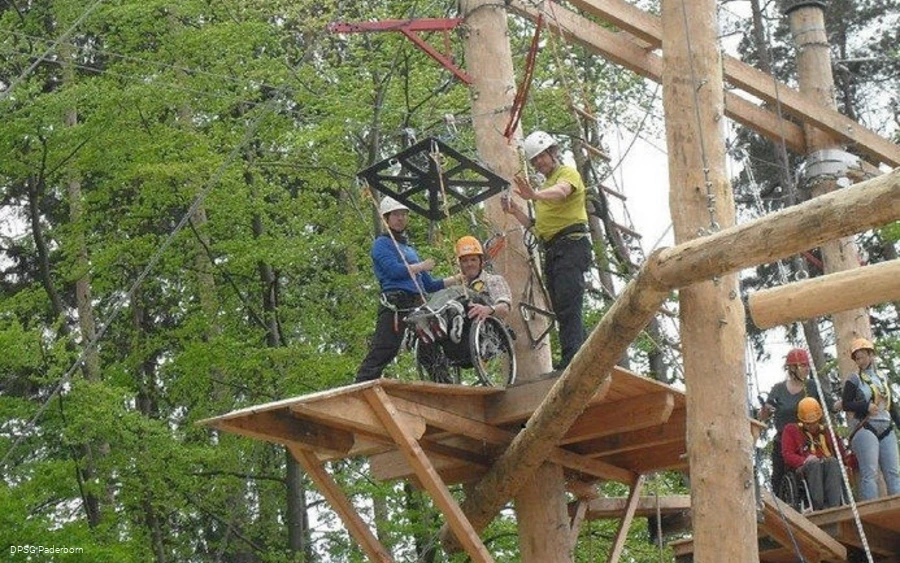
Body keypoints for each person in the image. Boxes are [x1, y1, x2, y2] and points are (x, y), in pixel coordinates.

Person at [501, 130, 592, 369]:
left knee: (568, 302)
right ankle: (583, 352)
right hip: (553, 249)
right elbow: (537, 228)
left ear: (553, 152)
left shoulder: (566, 174)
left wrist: (534, 195)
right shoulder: (546, 187)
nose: (539, 163)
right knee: (562, 305)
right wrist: (516, 212)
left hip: (571, 244)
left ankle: (573, 359)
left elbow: (563, 192)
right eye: (535, 160)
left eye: (542, 156)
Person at [354, 197, 458, 383]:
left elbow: (429, 284)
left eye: (403, 214)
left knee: (430, 345)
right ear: (386, 218)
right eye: (396, 215)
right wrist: (420, 266)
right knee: (386, 347)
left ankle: (446, 386)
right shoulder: (382, 244)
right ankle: (362, 385)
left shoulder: (409, 250)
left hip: (416, 302)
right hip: (396, 303)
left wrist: (457, 279)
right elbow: (394, 271)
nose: (401, 218)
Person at [759, 348, 833, 499]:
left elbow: (831, 404)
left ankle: (819, 500)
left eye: (807, 365)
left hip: (807, 440)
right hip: (783, 441)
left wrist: (851, 401)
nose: (807, 369)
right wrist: (766, 409)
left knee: (815, 469)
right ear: (792, 368)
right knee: (778, 479)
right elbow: (762, 416)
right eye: (803, 366)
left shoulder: (812, 386)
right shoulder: (778, 389)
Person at [841, 337, 900, 500]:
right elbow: (846, 403)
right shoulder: (854, 379)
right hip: (866, 427)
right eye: (857, 358)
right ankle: (871, 508)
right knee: (870, 473)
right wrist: (865, 406)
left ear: (870, 355)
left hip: (886, 425)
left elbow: (891, 404)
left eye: (862, 356)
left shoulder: (882, 377)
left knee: (893, 472)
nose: (860, 361)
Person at [781, 397, 848, 510]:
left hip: (827, 464)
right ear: (801, 420)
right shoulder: (791, 430)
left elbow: (841, 453)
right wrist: (804, 460)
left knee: (832, 461)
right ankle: (818, 506)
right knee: (814, 464)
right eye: (808, 424)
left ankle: (834, 506)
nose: (812, 426)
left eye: (814, 422)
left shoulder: (827, 432)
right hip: (805, 467)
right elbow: (787, 455)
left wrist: (846, 463)